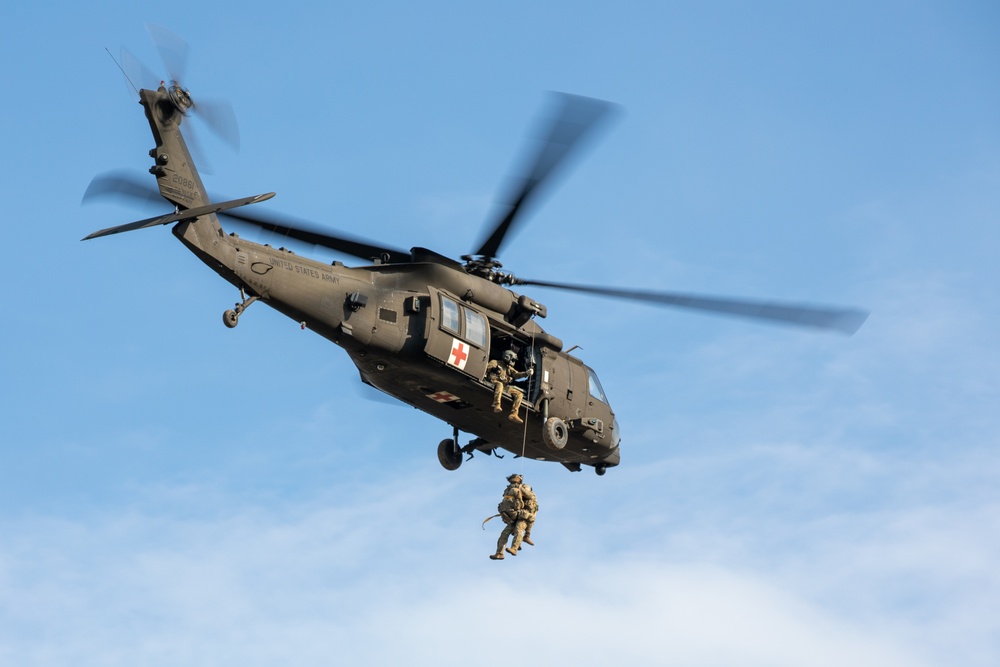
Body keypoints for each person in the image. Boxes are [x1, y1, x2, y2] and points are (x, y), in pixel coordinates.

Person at [485, 350, 532, 423]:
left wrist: (526, 373)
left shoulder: (508, 368)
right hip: (493, 381)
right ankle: (497, 404)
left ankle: (514, 414)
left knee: (519, 394)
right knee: (499, 384)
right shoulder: (495, 362)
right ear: (507, 357)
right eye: (513, 360)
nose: (513, 362)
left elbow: (516, 374)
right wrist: (495, 369)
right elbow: (487, 369)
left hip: (504, 386)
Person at [490, 474, 527, 560]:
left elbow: (520, 503)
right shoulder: (508, 490)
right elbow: (505, 501)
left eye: (514, 481)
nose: (512, 483)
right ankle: (499, 553)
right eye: (511, 481)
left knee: (518, 531)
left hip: (518, 516)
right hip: (511, 517)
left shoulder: (519, 490)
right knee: (504, 534)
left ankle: (515, 548)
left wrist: (516, 509)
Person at [519, 481, 538, 547]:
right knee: (518, 529)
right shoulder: (521, 496)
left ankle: (526, 537)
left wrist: (520, 487)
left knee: (523, 527)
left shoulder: (531, 495)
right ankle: (517, 544)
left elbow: (526, 494)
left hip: (528, 514)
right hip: (524, 514)